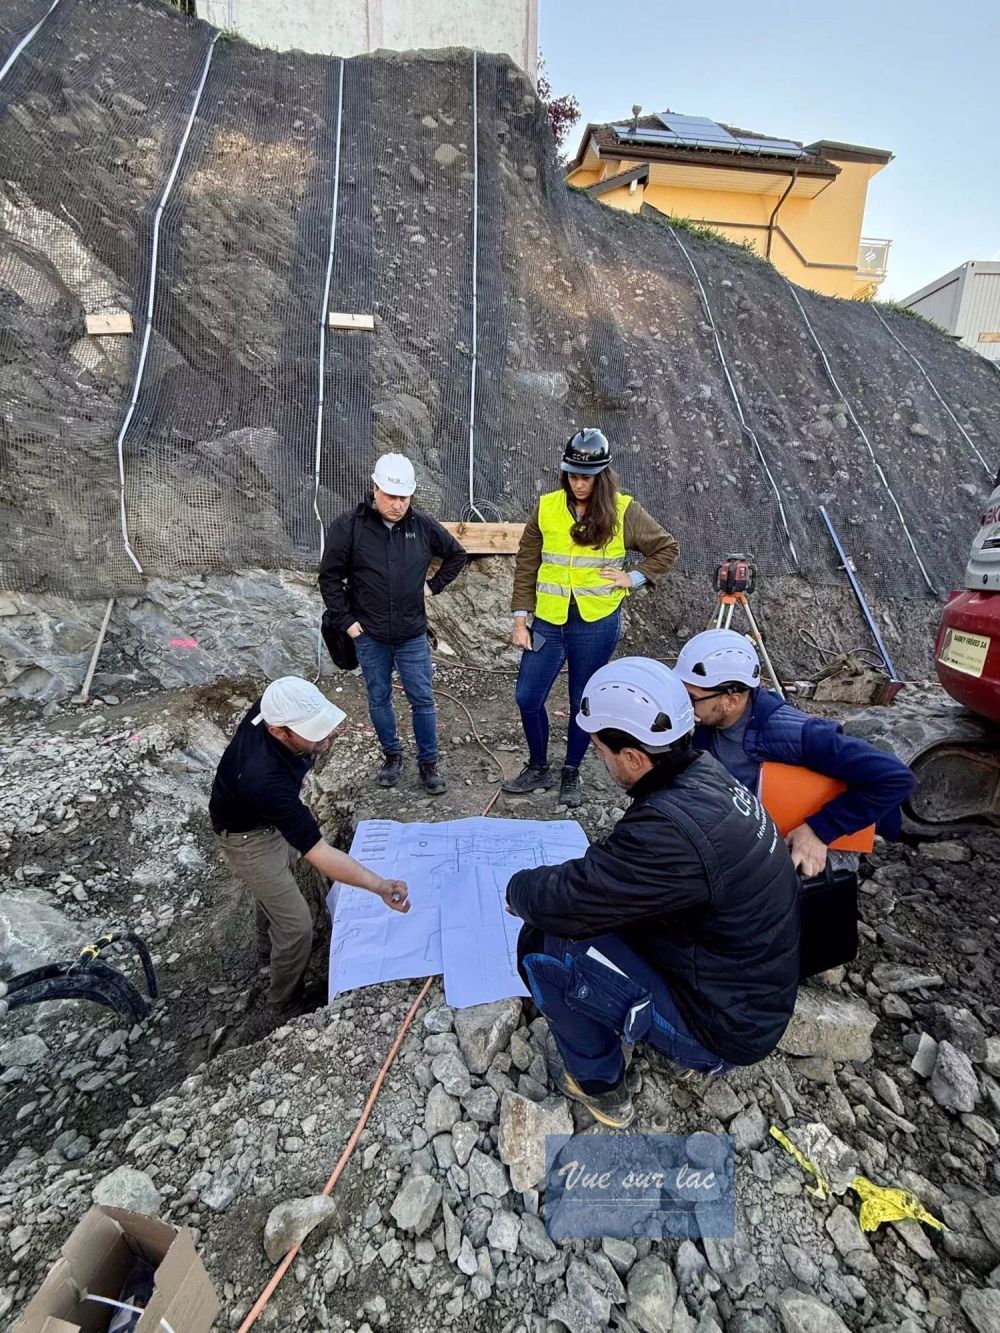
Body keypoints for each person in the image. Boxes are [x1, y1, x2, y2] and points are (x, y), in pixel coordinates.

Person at [506, 658, 800, 1128]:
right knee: (605, 914)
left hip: (723, 1030)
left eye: (600, 749)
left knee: (543, 943)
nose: (598, 759)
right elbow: (616, 875)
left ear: (635, 758)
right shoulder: (703, 772)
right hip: (746, 989)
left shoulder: (670, 831)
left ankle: (599, 1085)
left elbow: (565, 899)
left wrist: (517, 890)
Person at [210, 676, 410, 1015]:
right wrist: (379, 885)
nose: (328, 735)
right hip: (246, 836)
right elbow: (320, 853)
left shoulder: (275, 705)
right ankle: (283, 1001)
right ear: (279, 732)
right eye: (315, 731)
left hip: (265, 818)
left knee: (275, 886)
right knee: (297, 925)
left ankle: (266, 953)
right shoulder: (264, 780)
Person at [504, 428, 679, 808]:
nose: (579, 484)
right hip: (549, 620)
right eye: (573, 475)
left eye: (586, 477)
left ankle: (571, 770)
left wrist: (631, 577)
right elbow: (527, 565)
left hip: (596, 622)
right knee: (528, 696)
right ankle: (537, 766)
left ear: (602, 475)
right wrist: (520, 620)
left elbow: (666, 548)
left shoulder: (623, 510)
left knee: (584, 699)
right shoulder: (546, 507)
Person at [674, 628, 917, 876]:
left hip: (803, 843)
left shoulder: (793, 734)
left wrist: (820, 830)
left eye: (692, 698)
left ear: (732, 700)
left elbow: (895, 777)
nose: (683, 703)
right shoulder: (705, 723)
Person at [319, 453, 467, 795]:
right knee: (379, 697)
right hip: (369, 634)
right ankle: (392, 756)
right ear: (375, 489)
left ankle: (428, 763)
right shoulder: (350, 526)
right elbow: (329, 579)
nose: (397, 504)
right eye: (390, 496)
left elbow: (456, 554)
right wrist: (347, 622)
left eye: (404, 497)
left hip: (411, 634)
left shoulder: (422, 526)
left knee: (423, 699)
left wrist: (433, 586)